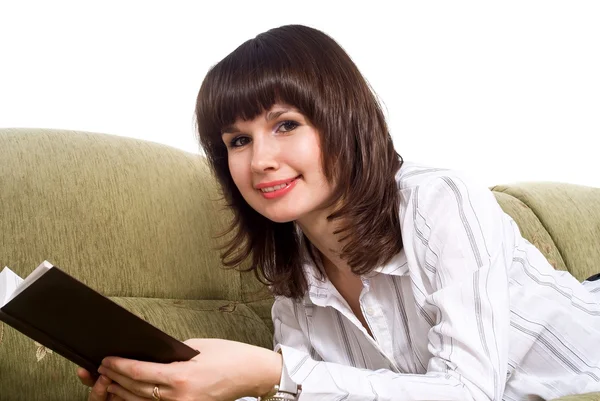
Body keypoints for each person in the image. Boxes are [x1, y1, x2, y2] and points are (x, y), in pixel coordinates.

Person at [77, 24, 600, 401]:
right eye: (238, 140)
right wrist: (179, 388)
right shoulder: (294, 280)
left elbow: (468, 392)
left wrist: (274, 372)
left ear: (343, 120)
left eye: (286, 125)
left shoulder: (439, 201)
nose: (260, 160)